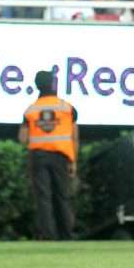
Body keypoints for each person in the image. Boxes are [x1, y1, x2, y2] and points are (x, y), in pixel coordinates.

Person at [18, 71, 79, 241]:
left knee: (43, 198)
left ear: (37, 85)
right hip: (61, 156)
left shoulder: (31, 110)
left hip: (38, 156)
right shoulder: (67, 108)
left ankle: (49, 236)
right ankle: (67, 235)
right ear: (54, 84)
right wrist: (73, 161)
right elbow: (74, 136)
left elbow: (23, 138)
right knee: (63, 196)